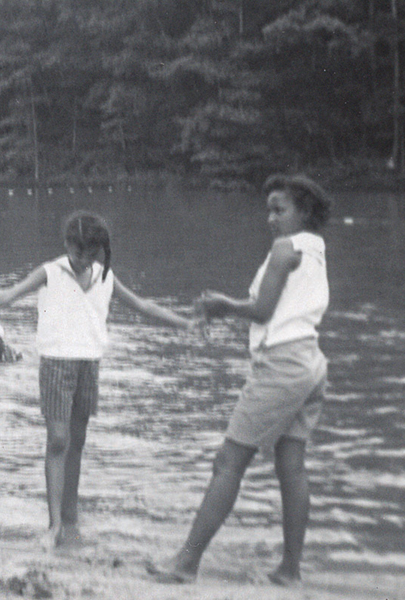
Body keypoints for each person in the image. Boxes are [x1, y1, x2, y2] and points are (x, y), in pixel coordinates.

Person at [0, 210, 198, 549]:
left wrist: (186, 324)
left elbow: (143, 306)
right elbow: (9, 295)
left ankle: (71, 518)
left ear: (98, 253)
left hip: (89, 364)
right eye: (77, 252)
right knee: (58, 439)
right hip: (56, 364)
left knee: (77, 442)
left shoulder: (105, 276)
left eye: (90, 255)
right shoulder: (51, 272)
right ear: (66, 244)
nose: (82, 260)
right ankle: (54, 524)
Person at [147, 174, 332, 587]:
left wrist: (221, 305)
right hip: (312, 362)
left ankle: (185, 563)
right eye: (268, 209)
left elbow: (263, 310)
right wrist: (230, 307)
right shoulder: (316, 249)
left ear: (303, 212)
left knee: (228, 461)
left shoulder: (286, 248)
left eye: (279, 209)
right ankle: (289, 571)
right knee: (293, 467)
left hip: (283, 364)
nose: (270, 218)